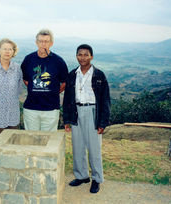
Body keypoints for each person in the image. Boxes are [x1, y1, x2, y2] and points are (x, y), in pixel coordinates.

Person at [63, 44, 110, 193]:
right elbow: (67, 99)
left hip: (92, 111)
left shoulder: (99, 75)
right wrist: (66, 120)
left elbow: (106, 100)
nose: (82, 57)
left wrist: (102, 122)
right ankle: (82, 176)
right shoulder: (72, 75)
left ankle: (96, 178)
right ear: (76, 56)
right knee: (78, 147)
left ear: (91, 56)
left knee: (94, 148)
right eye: (80, 54)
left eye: (86, 54)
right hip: (76, 111)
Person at [21, 29, 68, 131]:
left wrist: (54, 91)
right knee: (31, 139)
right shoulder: (28, 59)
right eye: (40, 41)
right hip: (31, 108)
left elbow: (64, 83)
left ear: (51, 43)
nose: (43, 44)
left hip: (51, 109)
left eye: (46, 41)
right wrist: (35, 87)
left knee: (48, 141)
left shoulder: (58, 61)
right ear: (36, 42)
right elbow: (26, 80)